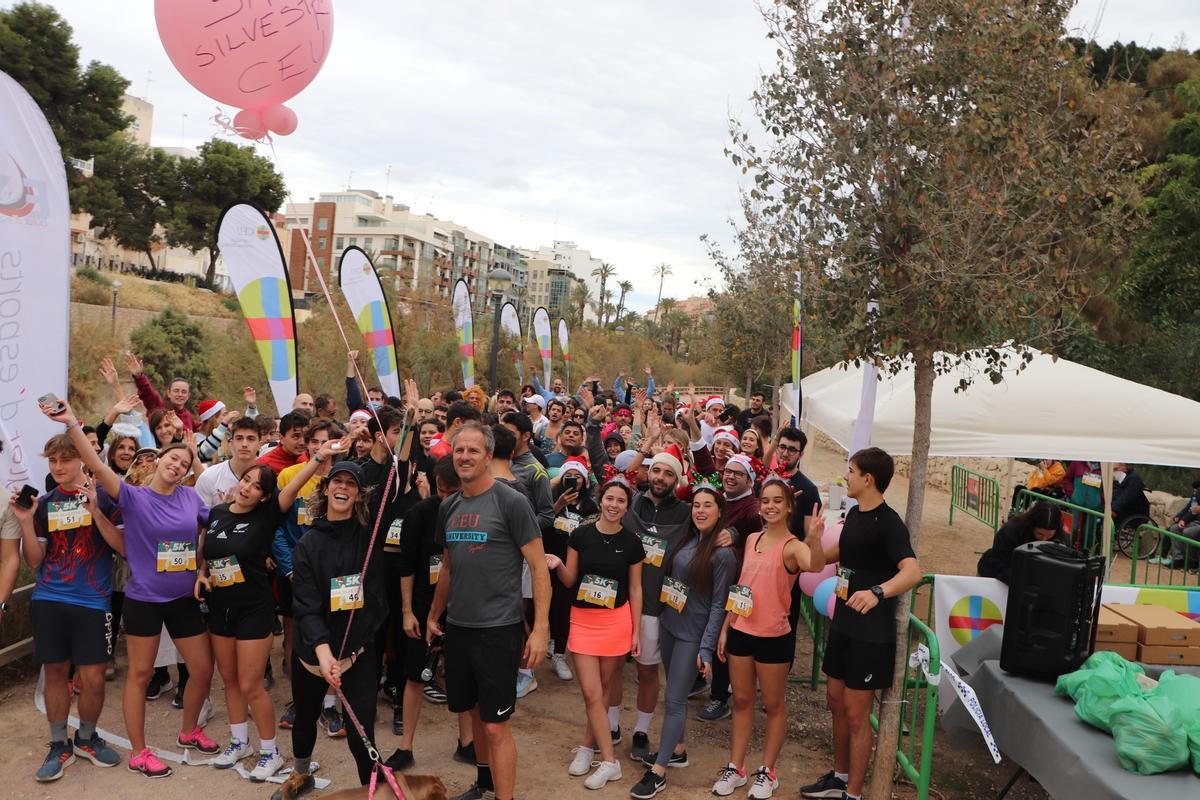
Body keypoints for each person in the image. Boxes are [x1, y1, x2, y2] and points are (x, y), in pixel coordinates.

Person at [40, 399, 217, 779]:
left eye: (185, 464)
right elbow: (99, 464)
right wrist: (73, 422)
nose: (178, 465)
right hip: (144, 601)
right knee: (138, 675)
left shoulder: (191, 498)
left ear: (188, 472)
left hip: (184, 597)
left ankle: (189, 731)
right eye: (172, 459)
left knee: (202, 670)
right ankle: (139, 751)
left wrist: (203, 567)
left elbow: (213, 531)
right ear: (156, 461)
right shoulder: (133, 497)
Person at [200, 436, 343, 778]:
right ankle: (239, 742)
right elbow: (208, 549)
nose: (247, 487)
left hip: (254, 610)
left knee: (251, 685)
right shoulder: (218, 513)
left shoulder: (267, 516)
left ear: (265, 495)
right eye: (245, 480)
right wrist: (200, 574)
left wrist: (317, 458)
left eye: (256, 486)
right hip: (220, 609)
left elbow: (290, 489)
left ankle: (270, 751)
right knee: (230, 681)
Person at [427, 424, 551, 800]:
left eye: (472, 451)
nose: (464, 457)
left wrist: (541, 627)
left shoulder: (511, 501)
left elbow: (539, 567)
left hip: (499, 629)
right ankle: (484, 783)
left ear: (488, 456)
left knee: (496, 725)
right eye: (459, 450)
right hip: (459, 629)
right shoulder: (449, 506)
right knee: (475, 715)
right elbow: (449, 567)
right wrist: (435, 614)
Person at [802, 448, 921, 800]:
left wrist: (877, 593)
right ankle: (839, 778)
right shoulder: (854, 514)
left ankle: (853, 794)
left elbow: (912, 571)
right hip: (844, 624)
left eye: (850, 471)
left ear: (868, 478)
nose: (845, 477)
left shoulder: (889, 522)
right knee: (835, 700)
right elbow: (821, 560)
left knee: (856, 714)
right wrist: (813, 535)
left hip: (872, 634)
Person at [270, 458, 389, 800]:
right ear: (325, 490)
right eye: (336, 482)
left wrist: (348, 654)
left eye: (351, 484)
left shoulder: (369, 538)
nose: (343, 487)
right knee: (305, 717)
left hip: (358, 652)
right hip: (313, 653)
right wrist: (323, 653)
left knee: (360, 732)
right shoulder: (308, 544)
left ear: (360, 495)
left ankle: (376, 791)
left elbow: (376, 603)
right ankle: (301, 774)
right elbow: (304, 605)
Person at [14, 434, 123, 781]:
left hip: (93, 601)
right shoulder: (44, 503)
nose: (58, 467)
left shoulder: (107, 498)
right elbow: (34, 558)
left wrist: (96, 512)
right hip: (49, 598)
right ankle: (58, 743)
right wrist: (26, 522)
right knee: (56, 674)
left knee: (93, 678)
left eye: (65, 460)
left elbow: (123, 547)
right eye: (52, 461)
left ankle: (86, 738)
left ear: (83, 460)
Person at [713, 479, 825, 798]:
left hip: (774, 637)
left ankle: (767, 771)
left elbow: (814, 564)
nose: (771, 506)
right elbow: (742, 587)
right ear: (759, 505)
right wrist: (725, 627)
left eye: (778, 501)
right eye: (765, 501)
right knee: (742, 701)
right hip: (740, 632)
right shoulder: (750, 540)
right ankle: (736, 767)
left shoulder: (792, 546)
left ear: (789, 506)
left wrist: (815, 538)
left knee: (773, 705)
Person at [630, 483, 737, 799]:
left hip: (692, 636)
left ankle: (659, 772)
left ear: (720, 512)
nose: (700, 510)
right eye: (697, 505)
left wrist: (706, 647)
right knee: (671, 693)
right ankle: (677, 750)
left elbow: (720, 604)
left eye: (708, 505)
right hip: (669, 625)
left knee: (675, 700)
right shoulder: (688, 538)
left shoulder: (723, 555)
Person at [547, 478, 644, 790]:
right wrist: (558, 563)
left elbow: (636, 589)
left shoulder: (632, 543)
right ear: (601, 500)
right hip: (583, 621)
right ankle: (611, 762)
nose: (614, 505)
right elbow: (569, 580)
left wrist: (636, 632)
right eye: (610, 499)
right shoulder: (580, 535)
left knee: (601, 692)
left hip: (617, 622)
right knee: (591, 693)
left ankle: (589, 749)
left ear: (627, 507)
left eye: (621, 501)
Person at [620, 445, 693, 762]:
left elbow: (720, 521)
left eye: (668, 473)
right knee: (611, 672)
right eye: (657, 470)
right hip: (621, 603)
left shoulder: (687, 513)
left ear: (676, 480)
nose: (661, 477)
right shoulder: (631, 502)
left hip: (655, 609)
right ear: (648, 473)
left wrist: (728, 534)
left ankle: (641, 730)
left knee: (647, 673)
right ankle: (609, 726)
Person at [388, 456, 461, 771]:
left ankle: (467, 744)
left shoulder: (474, 512)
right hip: (421, 604)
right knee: (415, 676)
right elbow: (405, 566)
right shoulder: (419, 513)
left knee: (461, 677)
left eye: (452, 492)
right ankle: (406, 747)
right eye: (442, 491)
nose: (446, 499)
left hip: (462, 607)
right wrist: (407, 611)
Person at [273, 419, 341, 734]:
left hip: (334, 577)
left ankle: (329, 706)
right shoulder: (289, 476)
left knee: (332, 637)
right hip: (295, 575)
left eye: (325, 441)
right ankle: (299, 700)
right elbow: (276, 526)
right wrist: (289, 567)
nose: (318, 446)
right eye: (313, 441)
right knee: (294, 635)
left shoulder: (347, 478)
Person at [699, 454, 763, 724]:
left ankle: (719, 697)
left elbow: (761, 528)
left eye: (738, 473)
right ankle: (701, 681)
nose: (730, 475)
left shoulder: (751, 506)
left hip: (737, 584)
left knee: (724, 639)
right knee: (706, 629)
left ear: (750, 479)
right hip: (713, 579)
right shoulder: (723, 501)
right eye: (728, 471)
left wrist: (738, 536)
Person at [546, 456, 598, 683]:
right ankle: (549, 640)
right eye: (569, 476)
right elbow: (540, 527)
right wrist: (557, 507)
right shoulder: (549, 500)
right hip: (547, 560)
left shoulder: (591, 507)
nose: (573, 480)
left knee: (563, 608)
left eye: (578, 477)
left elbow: (590, 536)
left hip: (572, 566)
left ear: (585, 481)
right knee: (545, 606)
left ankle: (559, 654)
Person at [977, 501, 1068, 584]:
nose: (1044, 539)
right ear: (1031, 526)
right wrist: (1027, 581)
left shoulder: (1060, 539)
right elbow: (1000, 564)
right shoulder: (1010, 531)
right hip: (993, 577)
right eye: (1039, 534)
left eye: (1049, 535)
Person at [193, 417, 262, 508]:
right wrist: (224, 512)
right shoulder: (209, 477)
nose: (244, 444)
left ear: (260, 445)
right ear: (231, 443)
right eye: (239, 438)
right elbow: (199, 519)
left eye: (251, 439)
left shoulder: (266, 478)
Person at [126, 351, 195, 432]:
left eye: (184, 392)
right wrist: (139, 376)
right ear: (169, 393)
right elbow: (147, 392)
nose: (180, 394)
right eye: (176, 391)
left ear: (188, 395)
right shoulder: (160, 407)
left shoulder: (188, 416)